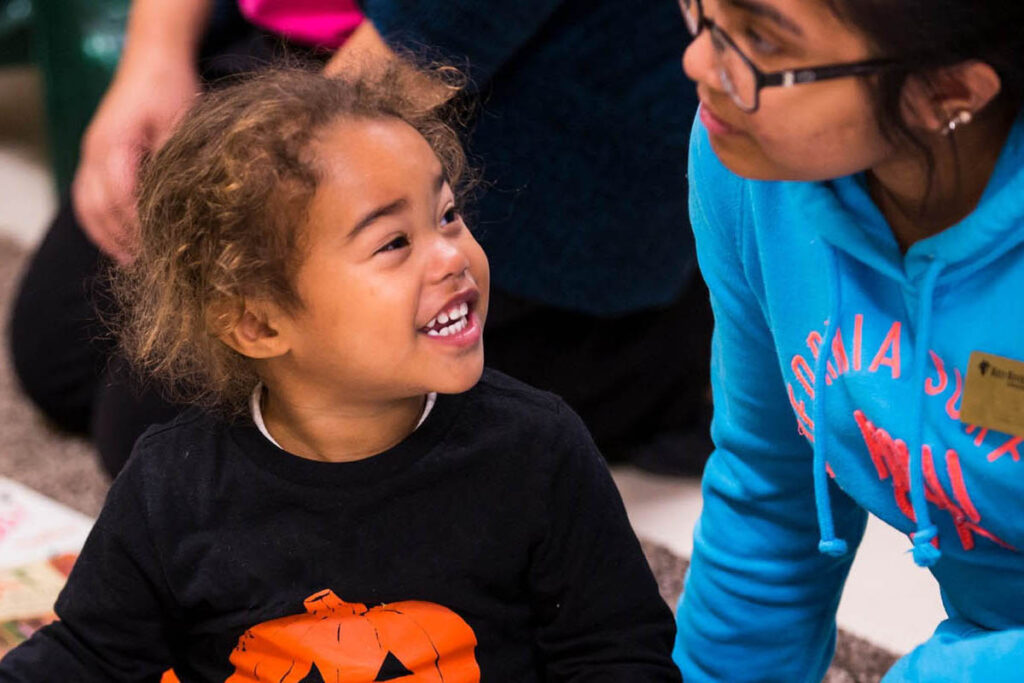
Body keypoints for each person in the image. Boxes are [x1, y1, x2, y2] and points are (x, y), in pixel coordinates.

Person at [0, 67, 681, 681]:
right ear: (259, 324)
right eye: (394, 242)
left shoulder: (538, 452)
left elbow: (619, 652)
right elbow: (87, 656)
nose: (451, 256)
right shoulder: (172, 485)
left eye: (447, 215)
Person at [8, 0, 710, 478]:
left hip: (513, 88)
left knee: (168, 434)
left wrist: (256, 207)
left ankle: (674, 344)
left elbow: (441, 27)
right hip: (282, 53)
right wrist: (152, 60)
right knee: (62, 352)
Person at [670, 0, 1024, 679]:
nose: (698, 62)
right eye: (704, 13)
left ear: (945, 92)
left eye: (761, 41)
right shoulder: (753, 160)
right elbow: (769, 490)